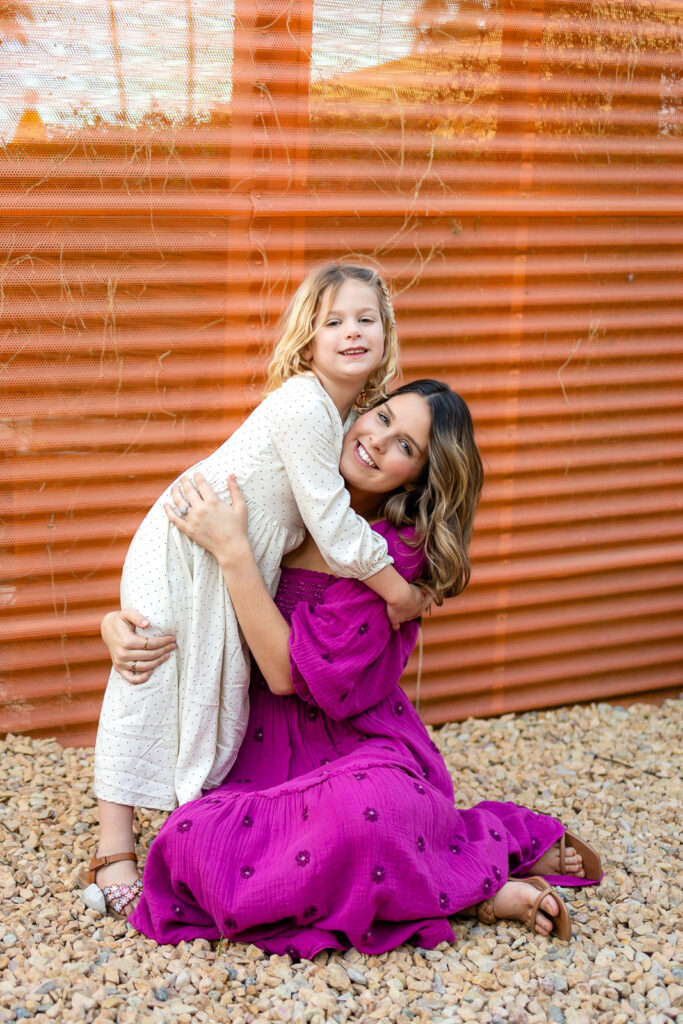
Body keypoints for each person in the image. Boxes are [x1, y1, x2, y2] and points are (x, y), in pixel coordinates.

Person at [102, 380, 602, 950]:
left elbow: (285, 675)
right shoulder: (280, 488)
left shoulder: (390, 554)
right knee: (192, 840)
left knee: (367, 814)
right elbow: (177, 578)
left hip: (355, 744)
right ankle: (440, 884)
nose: (377, 440)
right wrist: (118, 623)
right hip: (253, 745)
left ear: (415, 479)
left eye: (405, 447)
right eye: (383, 417)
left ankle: (476, 888)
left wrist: (235, 554)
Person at [86, 265, 429, 917]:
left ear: (386, 333)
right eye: (333, 321)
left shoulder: (351, 417)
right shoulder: (304, 404)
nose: (351, 331)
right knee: (149, 668)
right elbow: (330, 524)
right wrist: (395, 589)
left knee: (214, 681)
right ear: (307, 343)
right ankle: (114, 847)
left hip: (230, 551)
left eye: (366, 319)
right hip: (184, 540)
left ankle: (194, 817)